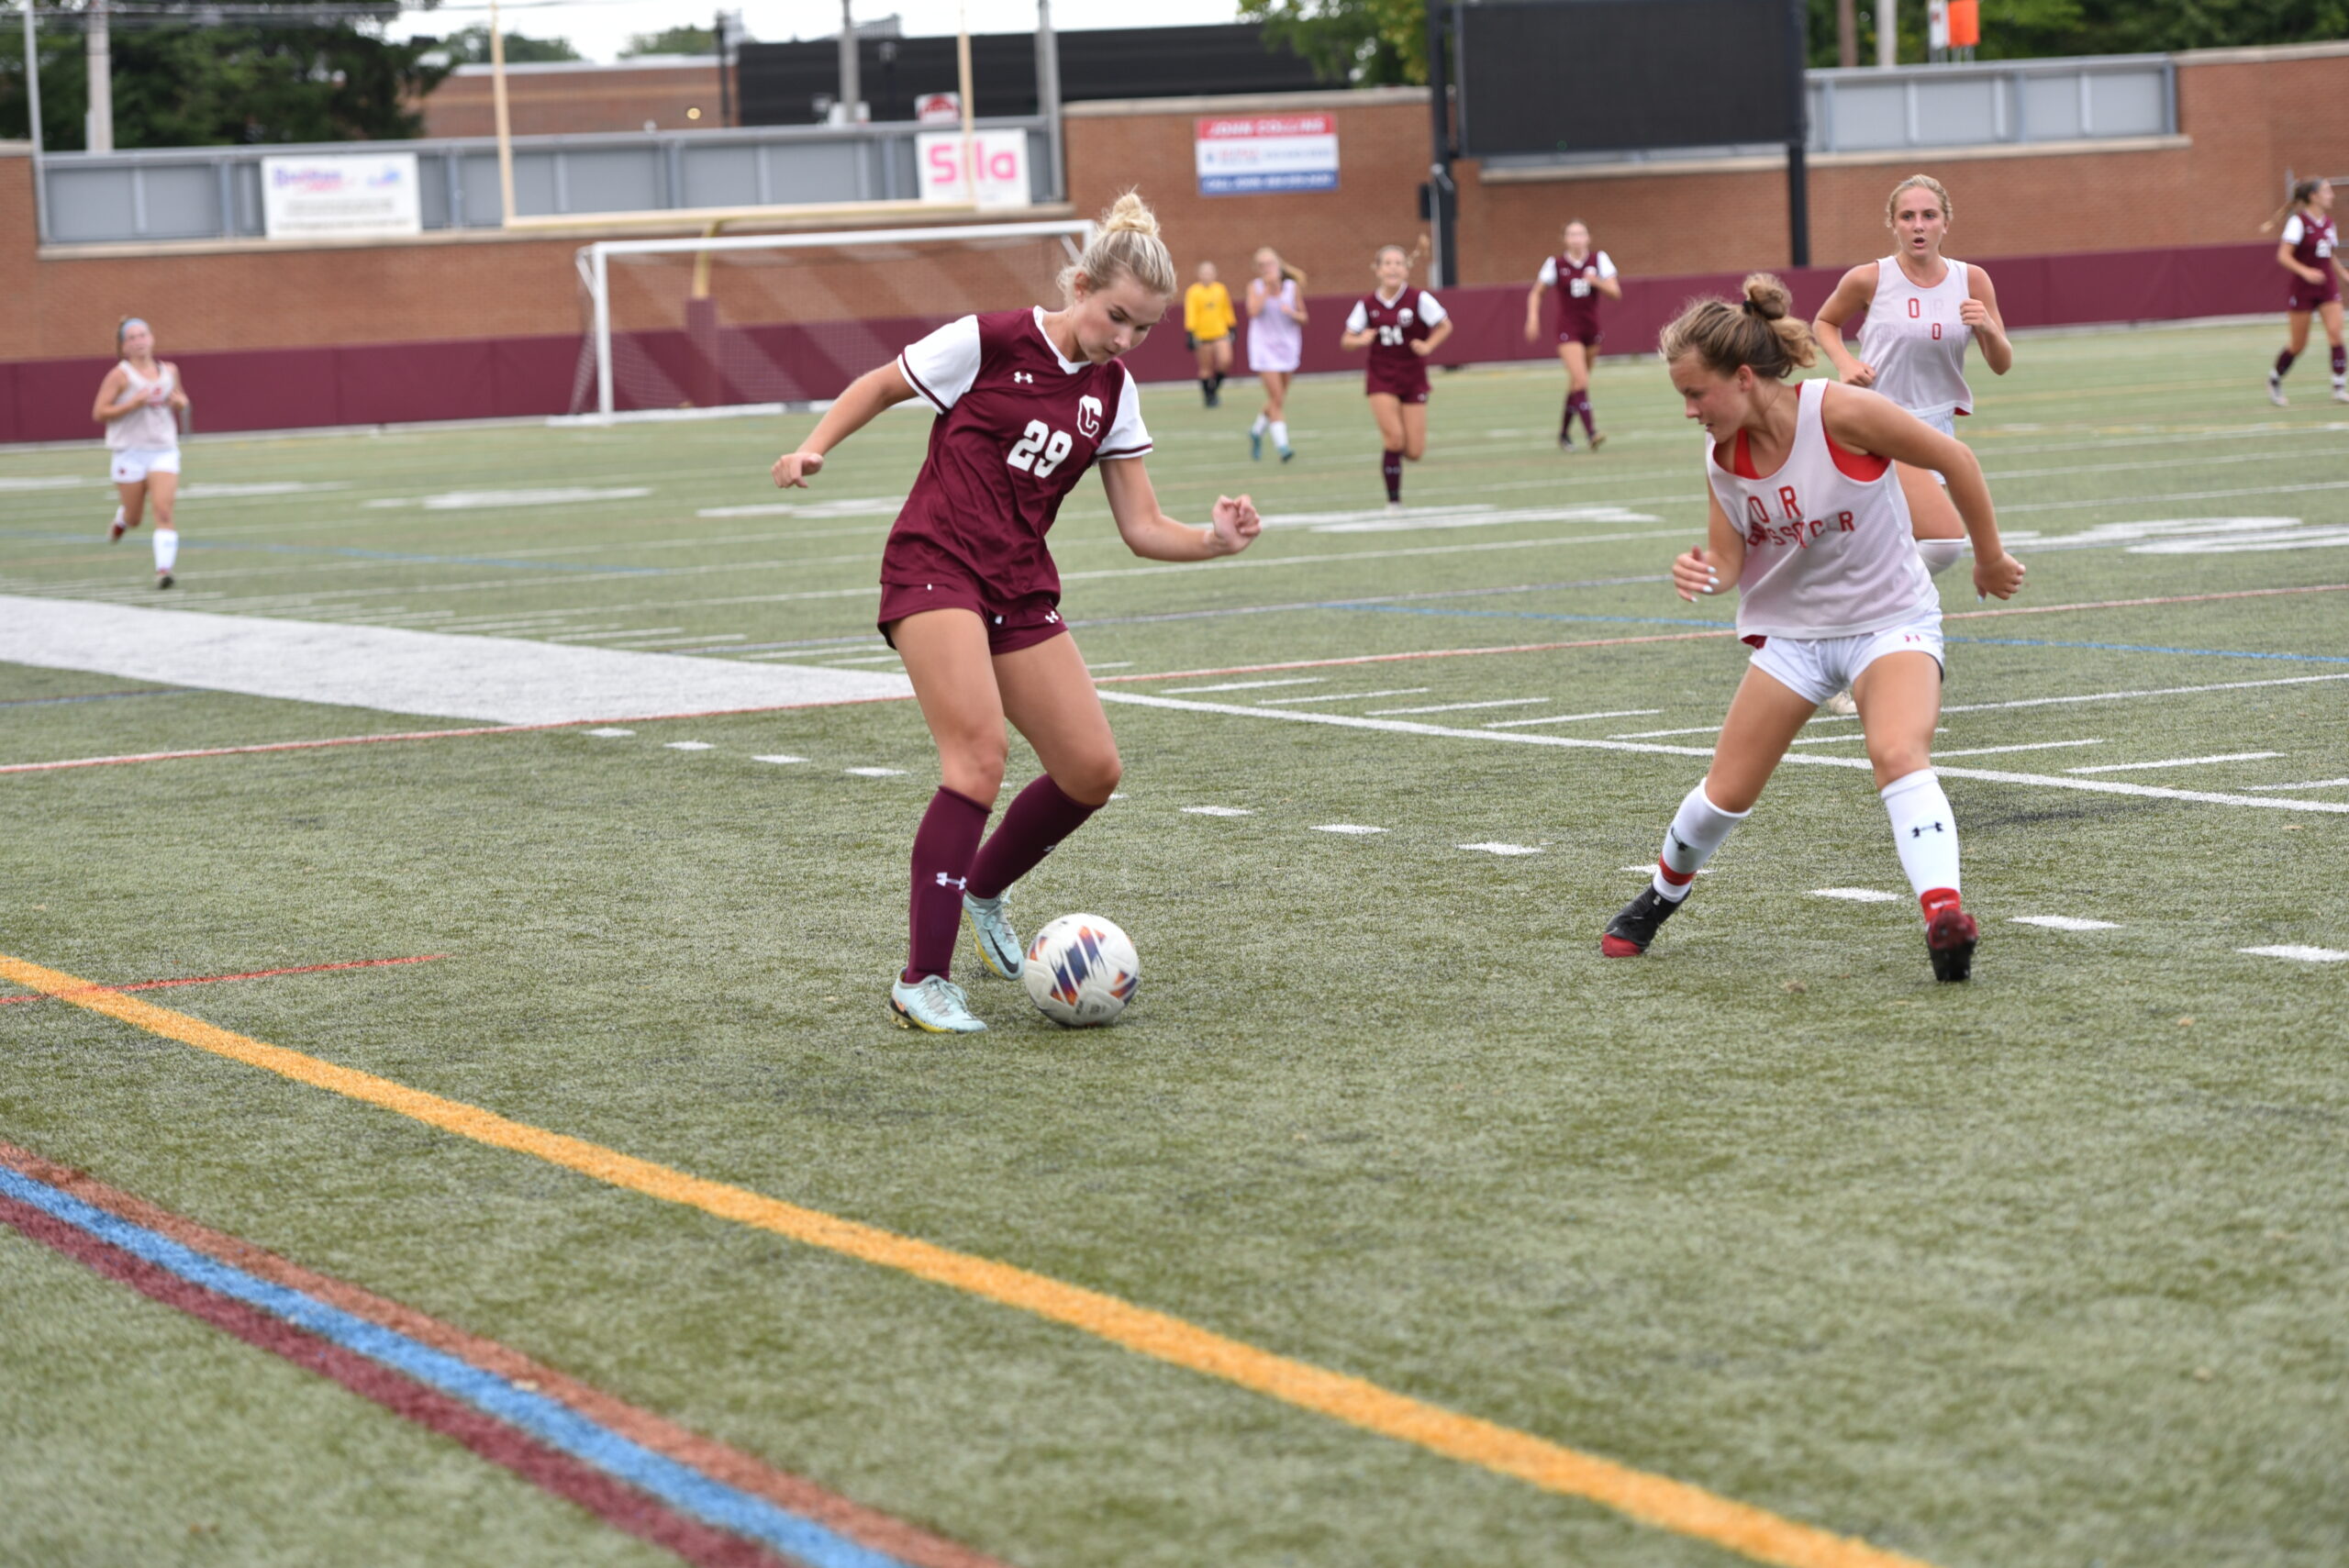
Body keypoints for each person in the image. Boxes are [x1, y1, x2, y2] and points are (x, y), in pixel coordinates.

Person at [768, 194, 1264, 1033]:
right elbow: (883, 384)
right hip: (934, 564)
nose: (1124, 339)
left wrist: (1214, 542)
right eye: (1115, 317)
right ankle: (920, 980)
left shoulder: (1114, 391)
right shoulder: (991, 339)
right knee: (977, 756)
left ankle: (983, 888)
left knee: (1091, 771)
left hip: (1019, 586)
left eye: (1143, 329)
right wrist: (816, 443)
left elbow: (1142, 529)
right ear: (1079, 285)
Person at [1601, 275, 2025, 983]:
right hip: (1794, 640)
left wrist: (1989, 555)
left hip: (1891, 622)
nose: (1689, 411)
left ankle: (1944, 917)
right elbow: (1731, 562)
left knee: (1898, 752)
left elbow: (1956, 459)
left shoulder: (1840, 411)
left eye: (1695, 393)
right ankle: (1660, 896)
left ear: (1742, 377)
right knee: (1724, 795)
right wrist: (1700, 570)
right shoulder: (1722, 460)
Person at [1811, 172, 2011, 710]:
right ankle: (1860, 636)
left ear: (1946, 221)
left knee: (1897, 547)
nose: (1918, 226)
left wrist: (1988, 329)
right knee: (1944, 543)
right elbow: (1824, 323)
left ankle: (1844, 636)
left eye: (1928, 216)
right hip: (1879, 422)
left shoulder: (1972, 280)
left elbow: (2001, 364)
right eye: (1908, 217)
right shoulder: (1870, 278)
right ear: (1893, 223)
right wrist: (1846, 362)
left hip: (1937, 427)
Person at [1341, 241, 1452, 511]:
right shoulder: (1367, 304)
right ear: (1377, 270)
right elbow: (1346, 339)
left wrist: (1428, 346)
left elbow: (1445, 325)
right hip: (1381, 378)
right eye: (1387, 263)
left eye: (1398, 263)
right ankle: (1394, 501)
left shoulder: (1419, 298)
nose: (1393, 268)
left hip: (1413, 377)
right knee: (1393, 439)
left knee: (1414, 451)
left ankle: (1394, 459)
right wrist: (1359, 340)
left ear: (1406, 269)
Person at [89, 317, 189, 589]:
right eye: (132, 338)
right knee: (135, 517)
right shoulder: (119, 375)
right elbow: (99, 412)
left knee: (164, 510)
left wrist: (180, 402)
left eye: (142, 335)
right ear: (123, 346)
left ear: (152, 338)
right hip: (129, 451)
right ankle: (122, 518)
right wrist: (132, 403)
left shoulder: (169, 370)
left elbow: (180, 399)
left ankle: (164, 570)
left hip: (163, 449)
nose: (139, 341)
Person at [1521, 219, 1620, 450]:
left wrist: (1596, 281)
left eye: (1581, 234)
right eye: (1572, 234)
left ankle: (1564, 434)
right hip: (1568, 330)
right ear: (1564, 239)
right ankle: (1591, 433)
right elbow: (1536, 293)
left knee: (1576, 384)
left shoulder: (1599, 260)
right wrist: (1533, 317)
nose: (1577, 239)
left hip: (1591, 329)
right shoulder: (1555, 264)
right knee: (1581, 380)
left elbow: (1615, 292)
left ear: (1588, 237)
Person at [2263, 177, 2347, 406]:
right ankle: (2275, 379)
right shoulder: (2298, 222)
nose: (2331, 195)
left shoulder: (2329, 223)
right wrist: (2305, 271)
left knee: (2336, 333)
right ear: (2314, 196)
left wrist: (2343, 274)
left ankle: (2339, 387)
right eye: (2327, 191)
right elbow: (2283, 256)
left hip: (2327, 286)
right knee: (2298, 344)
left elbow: (2327, 253)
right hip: (2303, 289)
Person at [1245, 246, 1307, 462]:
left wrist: (1292, 313)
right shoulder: (1255, 287)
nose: (1267, 268)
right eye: (1262, 265)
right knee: (1277, 398)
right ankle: (1283, 447)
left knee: (1277, 399)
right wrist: (1267, 291)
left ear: (1278, 264)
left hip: (1288, 347)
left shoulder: (1292, 287)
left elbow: (1304, 317)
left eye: (1270, 263)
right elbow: (1253, 311)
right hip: (1264, 349)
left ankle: (1256, 431)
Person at [1185, 261, 1237, 407]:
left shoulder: (1220, 289)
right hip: (1202, 335)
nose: (1207, 276)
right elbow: (1191, 312)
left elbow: (1226, 308)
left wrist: (1232, 325)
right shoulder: (1193, 291)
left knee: (1225, 361)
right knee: (1205, 369)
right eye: (1204, 273)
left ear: (1215, 274)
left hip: (1221, 332)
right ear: (1199, 275)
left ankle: (1214, 389)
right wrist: (1190, 332)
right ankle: (1208, 396)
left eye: (1210, 272)